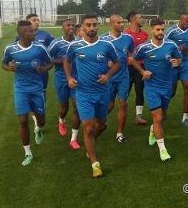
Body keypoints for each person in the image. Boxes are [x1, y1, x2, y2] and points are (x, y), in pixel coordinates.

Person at [64, 15, 120, 178]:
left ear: (98, 26)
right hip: (83, 93)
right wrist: (69, 78)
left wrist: (108, 76)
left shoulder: (106, 45)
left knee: (101, 125)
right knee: (88, 127)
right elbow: (66, 62)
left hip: (102, 92)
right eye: (88, 25)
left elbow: (117, 63)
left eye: (94, 25)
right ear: (82, 27)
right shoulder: (75, 46)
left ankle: (90, 144)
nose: (92, 28)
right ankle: (95, 164)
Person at [2, 20, 52, 166]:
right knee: (23, 120)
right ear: (22, 34)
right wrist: (9, 68)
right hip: (20, 89)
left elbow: (49, 63)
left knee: (42, 120)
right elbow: (3, 63)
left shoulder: (40, 48)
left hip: (37, 88)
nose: (33, 32)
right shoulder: (11, 49)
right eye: (30, 31)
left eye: (33, 30)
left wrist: (43, 69)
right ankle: (28, 153)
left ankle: (38, 129)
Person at [132, 18, 181, 162]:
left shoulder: (171, 45)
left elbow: (179, 59)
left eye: (162, 29)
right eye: (157, 29)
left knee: (162, 117)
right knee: (158, 117)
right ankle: (163, 150)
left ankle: (153, 130)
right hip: (151, 86)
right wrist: (142, 72)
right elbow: (132, 59)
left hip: (166, 85)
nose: (160, 32)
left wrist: (177, 62)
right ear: (152, 30)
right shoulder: (144, 47)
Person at [47, 18, 81, 149]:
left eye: (73, 25)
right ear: (63, 27)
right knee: (64, 107)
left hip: (76, 78)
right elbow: (47, 59)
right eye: (68, 25)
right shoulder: (56, 43)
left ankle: (73, 139)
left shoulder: (79, 42)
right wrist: (61, 61)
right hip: (61, 78)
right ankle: (61, 120)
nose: (71, 27)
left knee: (76, 107)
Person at [101, 14, 135, 143]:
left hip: (123, 76)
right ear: (112, 24)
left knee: (123, 103)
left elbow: (131, 51)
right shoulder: (103, 39)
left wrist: (131, 58)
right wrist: (106, 63)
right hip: (108, 77)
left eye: (123, 22)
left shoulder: (128, 38)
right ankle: (101, 120)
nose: (122, 25)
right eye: (119, 23)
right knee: (109, 105)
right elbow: (97, 57)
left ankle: (119, 133)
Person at [165, 13, 188, 128]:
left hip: (185, 63)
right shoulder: (171, 31)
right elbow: (163, 46)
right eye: (186, 21)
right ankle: (163, 109)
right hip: (172, 63)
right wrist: (177, 49)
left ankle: (185, 118)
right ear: (180, 20)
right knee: (171, 91)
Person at [125, 11, 149, 125]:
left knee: (140, 91)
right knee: (125, 91)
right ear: (133, 20)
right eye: (141, 17)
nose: (143, 19)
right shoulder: (125, 34)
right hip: (128, 68)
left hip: (141, 67)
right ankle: (121, 110)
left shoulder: (145, 34)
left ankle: (138, 117)